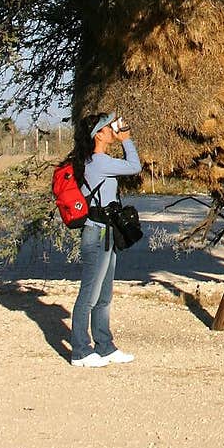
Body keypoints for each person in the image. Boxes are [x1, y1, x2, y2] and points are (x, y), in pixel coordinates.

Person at [68, 110, 142, 368]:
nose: (112, 129)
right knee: (89, 293)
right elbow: (135, 166)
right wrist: (126, 140)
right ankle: (80, 351)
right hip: (96, 234)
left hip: (106, 233)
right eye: (108, 127)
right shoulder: (99, 162)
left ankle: (105, 346)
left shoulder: (95, 160)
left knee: (104, 295)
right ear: (98, 134)